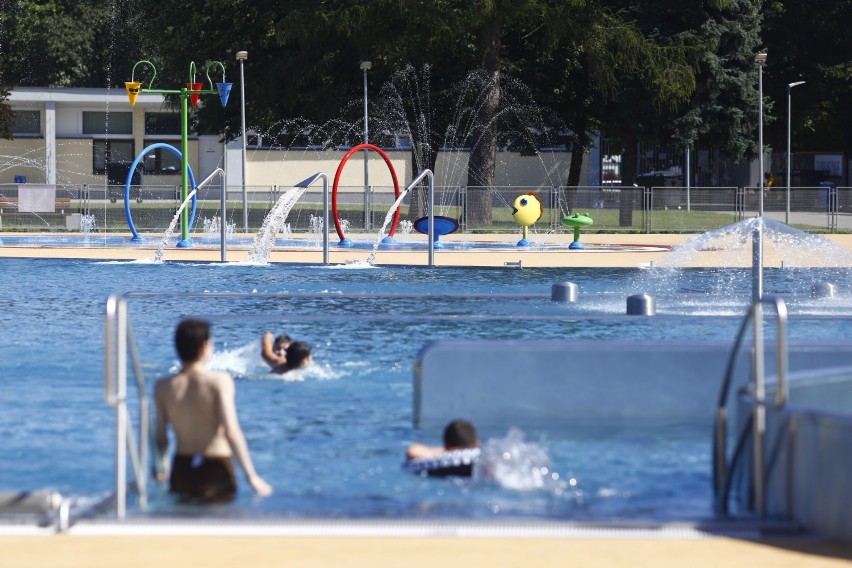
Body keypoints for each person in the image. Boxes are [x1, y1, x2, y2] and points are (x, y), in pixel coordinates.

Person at [155, 319, 273, 502]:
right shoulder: (219, 381)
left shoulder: (162, 386)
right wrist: (252, 476)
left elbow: (161, 439)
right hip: (215, 466)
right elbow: (231, 431)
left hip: (182, 468)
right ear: (204, 347)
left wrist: (160, 466)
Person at [406, 419, 480, 460]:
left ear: (446, 445)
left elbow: (413, 451)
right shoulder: (483, 457)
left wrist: (444, 451)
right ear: (477, 443)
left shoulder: (443, 454)